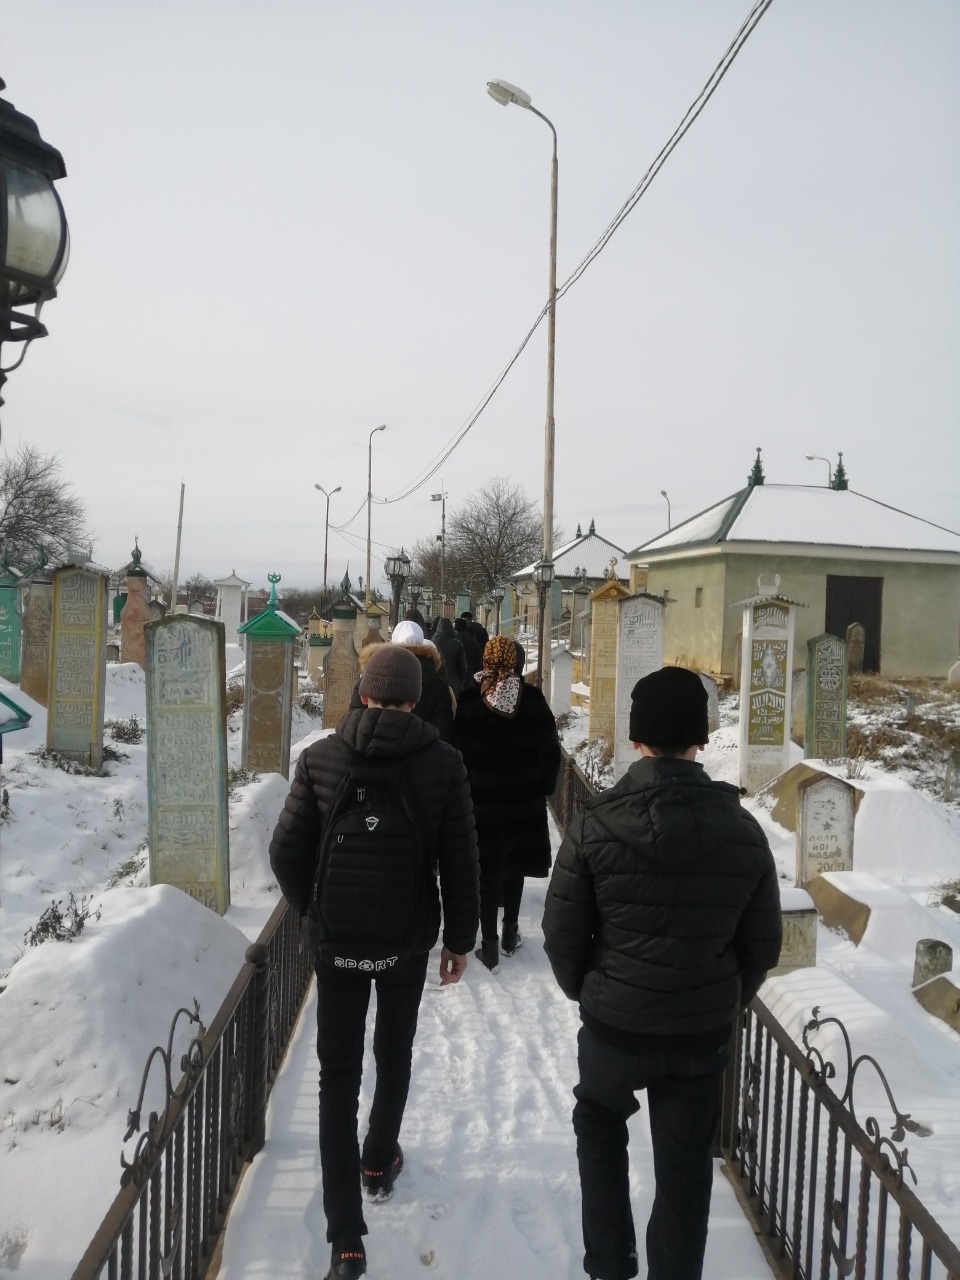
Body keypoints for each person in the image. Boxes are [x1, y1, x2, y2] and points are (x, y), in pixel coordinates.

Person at [542, 666, 782, 1280]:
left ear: (636, 737)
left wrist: (591, 992)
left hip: (615, 1027)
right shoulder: (743, 832)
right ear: (700, 739)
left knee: (600, 1125)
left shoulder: (596, 824)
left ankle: (610, 1264)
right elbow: (761, 947)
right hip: (698, 1034)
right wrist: (723, 998)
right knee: (686, 1165)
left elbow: (563, 934)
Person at [270, 644, 480, 1280]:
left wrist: (314, 910)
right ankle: (378, 1158)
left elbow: (286, 850)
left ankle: (346, 1238)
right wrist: (459, 941)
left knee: (337, 1077)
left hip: (338, 944)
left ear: (362, 695)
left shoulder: (321, 758)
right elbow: (462, 861)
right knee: (394, 1049)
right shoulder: (443, 764)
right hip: (403, 942)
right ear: (416, 701)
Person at [451, 635, 561, 972]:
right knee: (515, 867)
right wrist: (544, 786)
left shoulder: (470, 700)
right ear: (514, 660)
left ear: (485, 660)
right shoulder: (533, 699)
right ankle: (510, 933)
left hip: (481, 803)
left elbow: (457, 753)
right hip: (523, 802)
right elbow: (551, 750)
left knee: (486, 872)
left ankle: (489, 945)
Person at [350, 619, 454, 741]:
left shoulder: (371, 676)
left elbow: (355, 722)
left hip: (372, 746)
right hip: (420, 748)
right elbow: (442, 730)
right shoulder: (438, 685)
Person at [432, 615, 468, 697]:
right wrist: (462, 678)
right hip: (454, 681)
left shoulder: (432, 643)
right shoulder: (457, 644)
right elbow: (463, 665)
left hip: (437, 682)